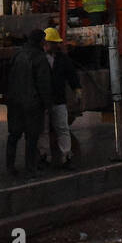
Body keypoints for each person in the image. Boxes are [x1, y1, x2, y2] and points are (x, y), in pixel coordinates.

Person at [5, 28, 52, 176]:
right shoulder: (40, 58)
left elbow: (8, 77)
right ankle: (31, 168)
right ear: (40, 41)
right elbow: (44, 83)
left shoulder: (18, 54)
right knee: (31, 138)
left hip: (15, 102)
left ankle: (10, 167)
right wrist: (47, 104)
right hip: (32, 104)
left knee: (13, 135)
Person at [38, 27, 81, 170]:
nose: (56, 46)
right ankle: (44, 156)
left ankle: (66, 155)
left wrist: (77, 89)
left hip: (57, 99)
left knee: (62, 128)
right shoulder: (39, 58)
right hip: (44, 101)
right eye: (53, 43)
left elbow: (71, 74)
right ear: (46, 43)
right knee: (43, 130)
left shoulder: (62, 59)